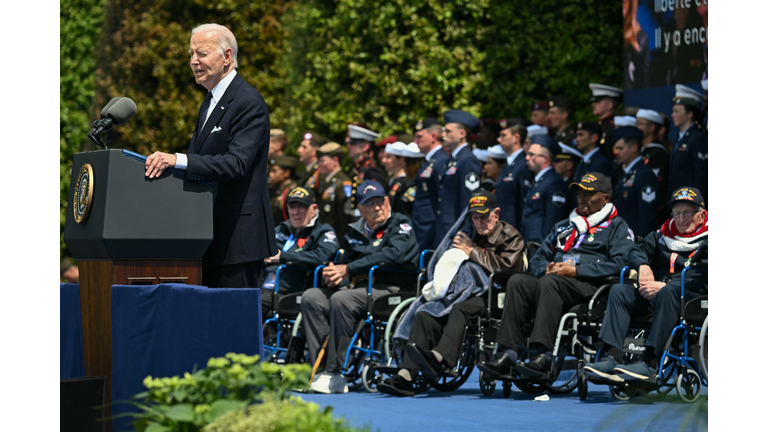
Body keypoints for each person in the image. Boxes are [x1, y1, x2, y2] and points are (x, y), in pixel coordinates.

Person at [144, 23, 277, 288]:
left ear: (227, 56)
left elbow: (236, 163)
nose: (194, 61)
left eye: (202, 53)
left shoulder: (247, 101)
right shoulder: (210, 99)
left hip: (237, 242)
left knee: (233, 325)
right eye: (191, 54)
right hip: (209, 237)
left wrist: (178, 159)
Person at [478, 172, 635, 377]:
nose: (582, 197)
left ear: (606, 198)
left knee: (551, 282)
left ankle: (544, 355)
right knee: (518, 281)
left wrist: (576, 270)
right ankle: (508, 353)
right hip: (554, 283)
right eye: (579, 192)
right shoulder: (565, 226)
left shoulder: (617, 226)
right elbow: (536, 260)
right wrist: (547, 267)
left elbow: (620, 264)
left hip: (591, 289)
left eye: (589, 193)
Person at [378, 191, 524, 397]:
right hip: (463, 293)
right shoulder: (469, 233)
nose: (479, 222)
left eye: (484, 216)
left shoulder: (510, 236)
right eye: (475, 217)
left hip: (494, 296)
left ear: (496, 213)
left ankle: (441, 359)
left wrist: (473, 252)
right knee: (425, 313)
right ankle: (405, 375)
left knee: (459, 309)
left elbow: (508, 267)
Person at [304, 181, 419, 393]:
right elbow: (346, 263)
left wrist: (349, 269)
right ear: (361, 209)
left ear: (387, 201)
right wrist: (336, 277)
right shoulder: (355, 232)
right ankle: (318, 368)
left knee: (342, 300)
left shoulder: (401, 224)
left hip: (392, 288)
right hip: (359, 289)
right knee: (312, 296)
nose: (377, 207)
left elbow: (393, 254)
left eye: (380, 201)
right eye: (370, 203)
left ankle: (335, 372)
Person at [584, 187, 707, 382]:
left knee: (669, 292)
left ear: (701, 215)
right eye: (677, 213)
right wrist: (642, 266)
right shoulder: (663, 234)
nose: (681, 219)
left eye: (687, 213)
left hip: (693, 297)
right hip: (659, 292)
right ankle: (612, 356)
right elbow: (636, 250)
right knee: (619, 290)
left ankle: (650, 362)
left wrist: (667, 286)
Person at [260, 187, 340, 319]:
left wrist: (283, 257)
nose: (296, 212)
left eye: (301, 207)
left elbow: (322, 256)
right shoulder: (281, 230)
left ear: (314, 209)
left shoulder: (323, 231)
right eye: (292, 207)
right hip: (266, 286)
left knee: (252, 305)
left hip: (293, 289)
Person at [436, 109, 483, 243]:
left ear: (462, 133)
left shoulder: (467, 160)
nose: (443, 135)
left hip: (456, 229)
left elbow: (468, 199)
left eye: (448, 131)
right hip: (446, 227)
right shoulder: (453, 159)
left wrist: (464, 230)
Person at [519, 135, 570, 244]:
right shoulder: (538, 180)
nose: (527, 157)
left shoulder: (554, 182)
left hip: (539, 244)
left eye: (532, 154)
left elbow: (553, 220)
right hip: (529, 242)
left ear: (545, 159)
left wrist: (544, 249)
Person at [611, 126, 660, 238]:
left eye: (620, 148)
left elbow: (647, 213)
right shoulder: (628, 173)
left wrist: (641, 241)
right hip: (622, 236)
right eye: (616, 148)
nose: (616, 152)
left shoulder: (644, 174)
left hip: (635, 239)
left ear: (634, 148)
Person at [412, 117, 449, 251]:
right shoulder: (430, 161)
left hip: (431, 224)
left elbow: (442, 197)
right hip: (423, 223)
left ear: (433, 136)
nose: (415, 141)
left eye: (419, 137)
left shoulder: (441, 161)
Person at [669, 85, 708, 201]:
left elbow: (701, 177)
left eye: (676, 111)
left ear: (689, 114)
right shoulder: (680, 138)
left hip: (690, 206)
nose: (672, 115)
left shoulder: (698, 138)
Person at [495, 120, 533, 227]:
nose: (499, 140)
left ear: (516, 138)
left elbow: (523, 202)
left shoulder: (523, 165)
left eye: (503, 136)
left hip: (514, 227)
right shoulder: (509, 164)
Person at [346, 124, 388, 215]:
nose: (348, 146)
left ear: (365, 146)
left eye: (353, 143)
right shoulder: (358, 168)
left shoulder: (370, 170)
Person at [315, 143, 353, 240]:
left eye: (322, 161)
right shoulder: (325, 181)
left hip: (336, 235)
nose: (319, 164)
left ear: (335, 160)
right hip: (326, 233)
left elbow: (345, 216)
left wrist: (343, 240)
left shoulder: (343, 182)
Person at [635, 109, 669, 214]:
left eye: (639, 124)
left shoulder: (658, 152)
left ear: (651, 127)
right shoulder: (642, 150)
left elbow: (659, 184)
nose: (636, 127)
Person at [381, 142, 412, 217]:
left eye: (388, 157)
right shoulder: (391, 179)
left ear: (400, 160)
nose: (383, 160)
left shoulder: (406, 182)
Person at [268, 155, 299, 227]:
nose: (270, 174)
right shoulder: (277, 189)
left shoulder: (292, 191)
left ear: (286, 173)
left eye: (274, 171)